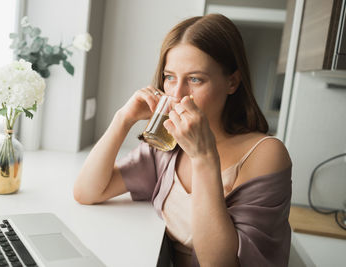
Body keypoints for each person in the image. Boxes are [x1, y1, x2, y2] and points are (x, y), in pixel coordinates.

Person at [73, 13, 292, 267]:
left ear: (232, 82)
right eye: (170, 77)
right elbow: (87, 192)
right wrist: (122, 119)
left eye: (195, 79)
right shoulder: (166, 147)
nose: (177, 94)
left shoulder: (265, 154)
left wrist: (203, 157)